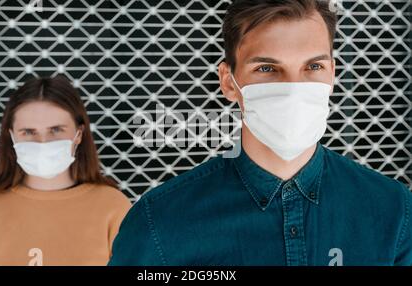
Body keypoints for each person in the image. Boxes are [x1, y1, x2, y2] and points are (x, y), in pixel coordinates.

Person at [108, 0, 412, 266]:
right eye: (267, 69)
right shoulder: (160, 223)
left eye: (313, 66)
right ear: (228, 81)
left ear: (332, 73)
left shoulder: (394, 211)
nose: (293, 87)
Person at [0, 75, 131, 266]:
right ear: (12, 136)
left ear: (78, 135)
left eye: (56, 130)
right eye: (28, 132)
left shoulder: (113, 208)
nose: (43, 142)